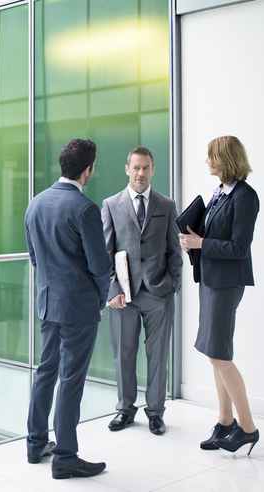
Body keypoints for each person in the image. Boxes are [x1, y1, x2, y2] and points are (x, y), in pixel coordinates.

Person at [25, 139, 110, 479]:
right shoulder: (85, 209)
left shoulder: (35, 204)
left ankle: (35, 445)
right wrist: (100, 300)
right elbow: (100, 267)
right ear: (87, 169)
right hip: (78, 307)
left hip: (48, 303)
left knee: (45, 372)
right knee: (70, 381)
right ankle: (65, 457)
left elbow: (34, 258)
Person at [179, 135, 261, 454]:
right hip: (211, 280)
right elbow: (213, 236)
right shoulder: (220, 192)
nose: (207, 161)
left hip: (227, 282)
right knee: (214, 354)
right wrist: (195, 241)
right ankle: (225, 422)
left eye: (212, 156)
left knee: (220, 354)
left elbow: (240, 248)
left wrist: (202, 244)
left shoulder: (245, 197)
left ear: (226, 159)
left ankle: (248, 428)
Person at [101, 146, 182, 435]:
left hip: (159, 293)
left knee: (158, 355)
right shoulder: (111, 205)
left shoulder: (167, 205)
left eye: (146, 168)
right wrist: (112, 291)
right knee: (123, 353)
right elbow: (105, 253)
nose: (141, 173)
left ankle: (156, 412)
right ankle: (125, 409)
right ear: (127, 169)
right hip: (124, 295)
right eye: (136, 168)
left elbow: (175, 249)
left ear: (153, 170)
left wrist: (174, 284)